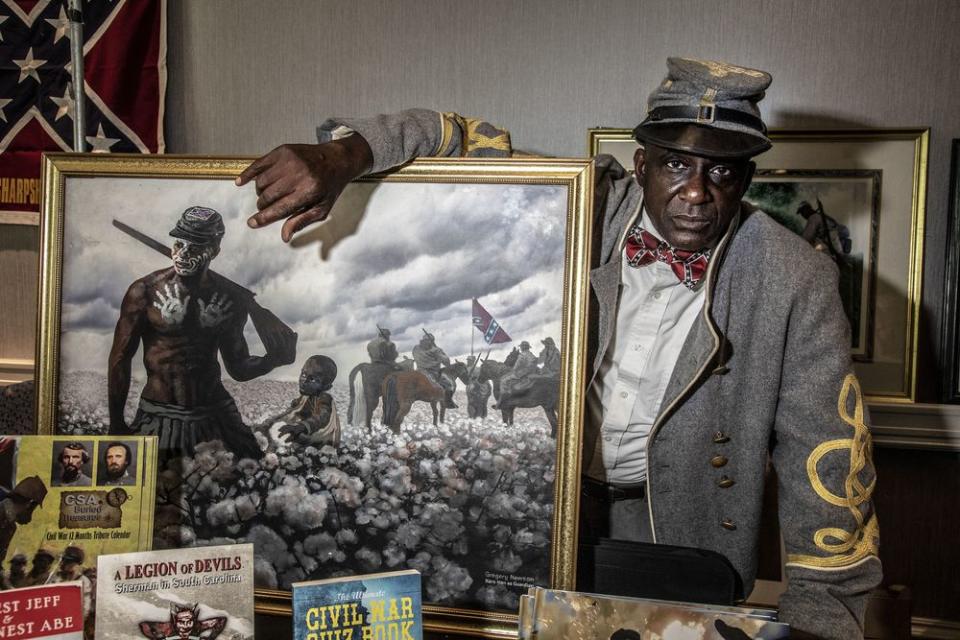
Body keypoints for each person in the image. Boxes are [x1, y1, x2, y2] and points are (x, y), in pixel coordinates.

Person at [236, 57, 880, 639]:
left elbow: (825, 456)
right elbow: (453, 136)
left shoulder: (795, 277)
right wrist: (348, 155)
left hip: (681, 534)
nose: (696, 191)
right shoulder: (580, 198)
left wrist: (824, 616)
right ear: (642, 162)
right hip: (554, 513)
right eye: (678, 164)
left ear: (745, 178)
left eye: (722, 170)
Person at [107, 206, 297, 461]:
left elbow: (238, 368)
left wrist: (272, 360)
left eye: (195, 247)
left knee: (248, 480)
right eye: (178, 245)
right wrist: (116, 423)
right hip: (159, 414)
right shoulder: (145, 292)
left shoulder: (231, 300)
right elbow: (120, 358)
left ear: (214, 251)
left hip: (215, 414)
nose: (183, 255)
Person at [267, 355, 341, 447]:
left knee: (289, 437)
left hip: (323, 438)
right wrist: (271, 421)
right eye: (303, 374)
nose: (304, 381)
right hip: (307, 430)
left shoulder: (324, 398)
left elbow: (321, 417)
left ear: (326, 387)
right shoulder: (305, 397)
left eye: (312, 379)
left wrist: (301, 427)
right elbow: (291, 411)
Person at [0, 476, 46, 564]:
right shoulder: (6, 522)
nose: (30, 518)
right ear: (28, 504)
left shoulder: (10, 524)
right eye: (33, 508)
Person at [411, 332, 456, 408]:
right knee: (449, 384)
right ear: (432, 341)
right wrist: (441, 352)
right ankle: (448, 403)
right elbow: (446, 362)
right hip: (432, 372)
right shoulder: (436, 350)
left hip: (418, 371)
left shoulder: (415, 348)